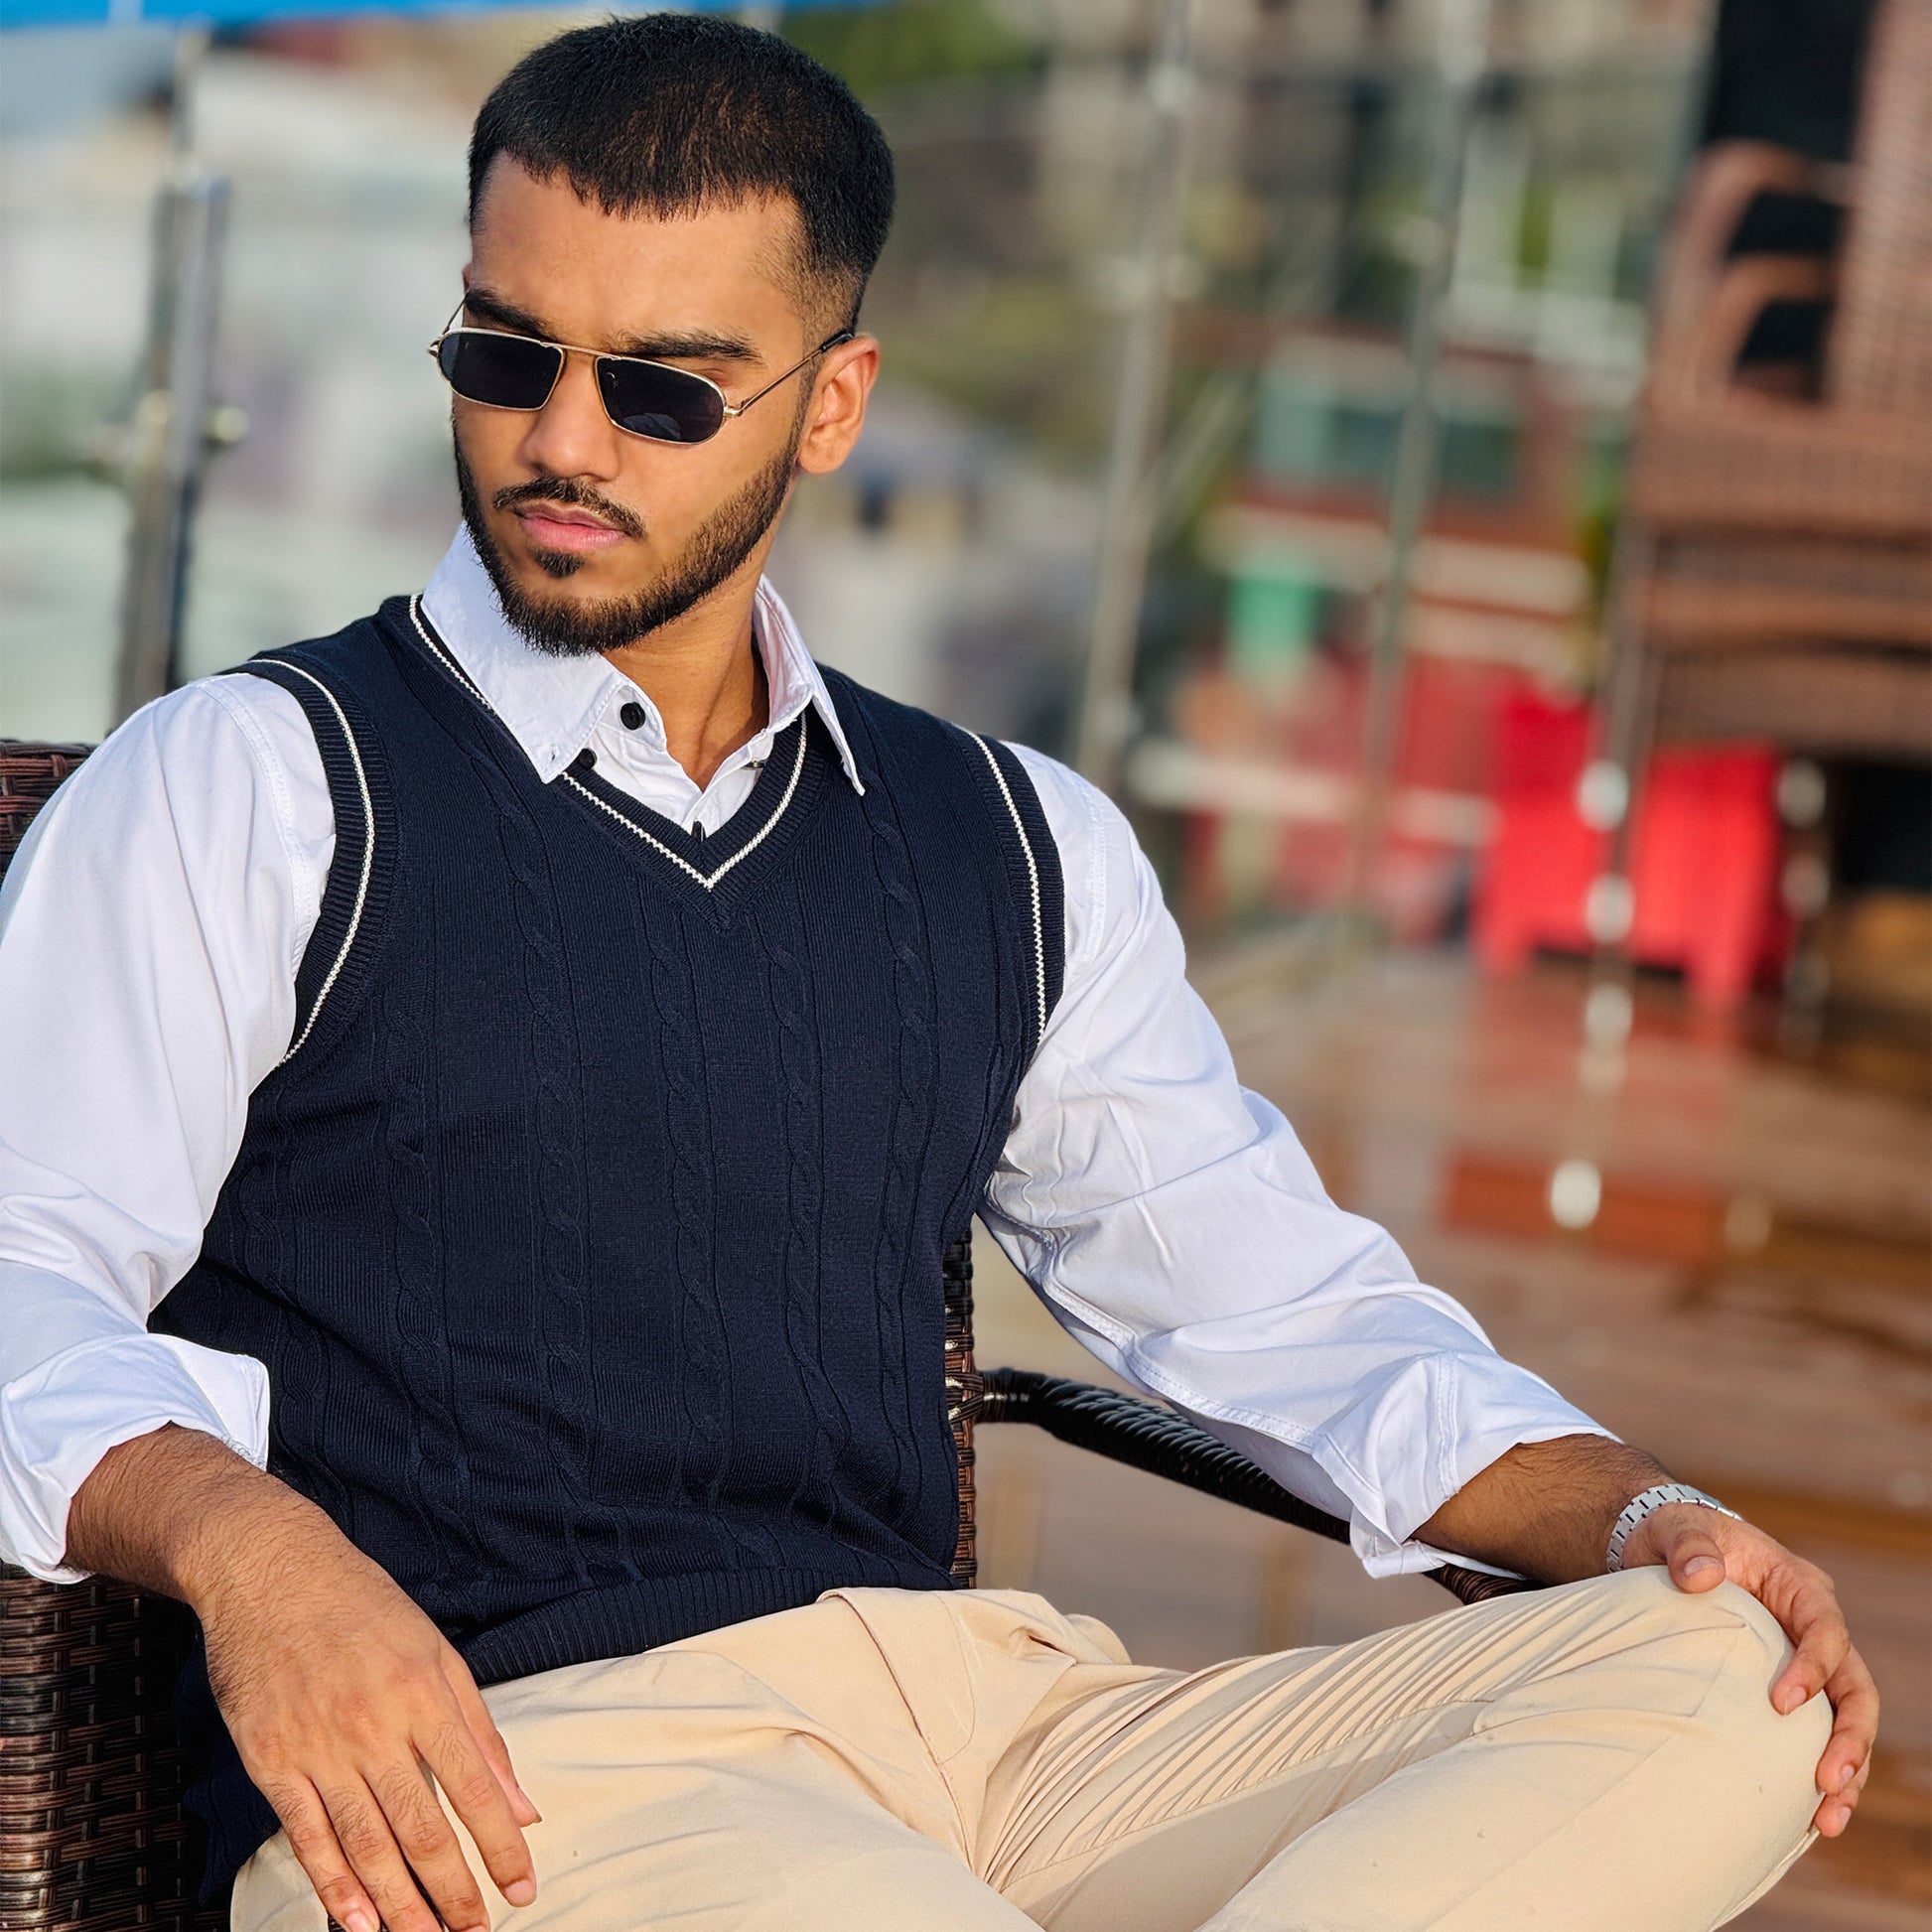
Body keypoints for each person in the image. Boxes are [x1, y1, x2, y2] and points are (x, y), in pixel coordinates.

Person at [0, 18, 1875, 1932]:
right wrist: (248, 1543)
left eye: (662, 386)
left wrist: (1642, 1512)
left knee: (1723, 1674)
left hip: (987, 1728)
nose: (560, 437)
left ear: (831, 403)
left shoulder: (1008, 839)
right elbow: (19, 1258)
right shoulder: (255, 780)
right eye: (505, 352)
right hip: (527, 1773)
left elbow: (1284, 1304)